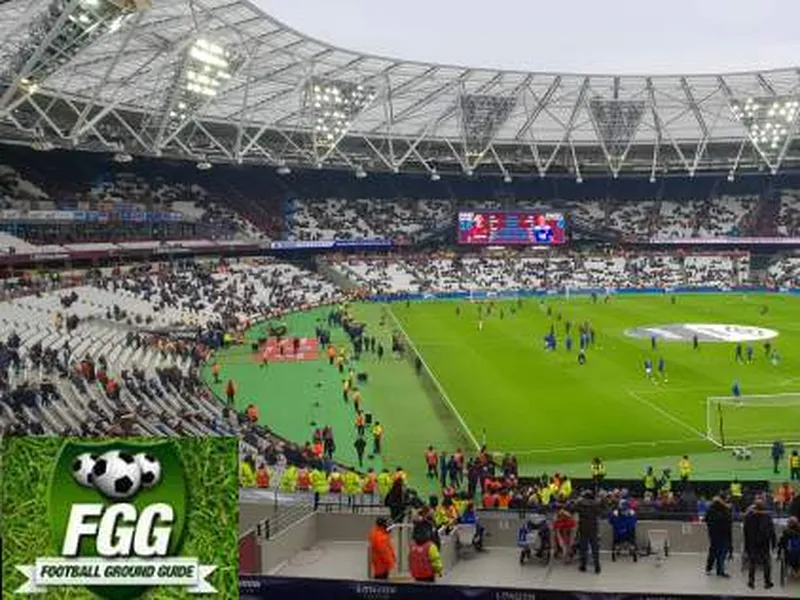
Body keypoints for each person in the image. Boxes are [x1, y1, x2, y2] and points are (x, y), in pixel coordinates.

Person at [743, 498, 776, 589]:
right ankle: (767, 582)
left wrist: (746, 545)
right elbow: (772, 532)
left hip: (752, 543)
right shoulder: (767, 517)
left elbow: (745, 532)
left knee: (752, 562)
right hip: (764, 543)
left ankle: (751, 581)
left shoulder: (748, 517)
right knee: (766, 563)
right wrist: (773, 543)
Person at [574, 490, 602, 574]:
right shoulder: (595, 504)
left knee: (583, 548)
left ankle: (583, 565)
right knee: (595, 548)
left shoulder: (580, 503)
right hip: (593, 527)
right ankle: (597, 566)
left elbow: (573, 509)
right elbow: (600, 512)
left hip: (583, 527)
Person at [704, 496, 732, 577]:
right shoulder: (724, 511)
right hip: (723, 535)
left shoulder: (710, 511)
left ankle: (709, 568)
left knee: (712, 551)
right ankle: (720, 570)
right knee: (721, 554)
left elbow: (706, 520)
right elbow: (727, 523)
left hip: (713, 535)